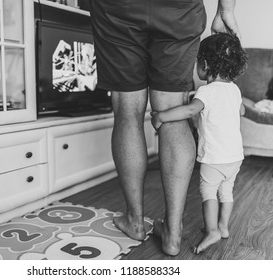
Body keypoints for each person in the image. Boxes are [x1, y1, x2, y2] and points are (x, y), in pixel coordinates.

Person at [90, 0, 240, 256]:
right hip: (179, 9)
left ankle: (135, 222)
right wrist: (225, 10)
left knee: (127, 111)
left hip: (118, 8)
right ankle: (172, 232)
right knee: (174, 111)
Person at [151, 32, 248, 254]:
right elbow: (241, 110)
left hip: (215, 158)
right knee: (226, 191)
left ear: (204, 64)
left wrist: (161, 116)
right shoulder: (234, 89)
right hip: (235, 157)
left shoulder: (206, 91)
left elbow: (190, 109)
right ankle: (223, 227)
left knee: (208, 192)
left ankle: (212, 230)